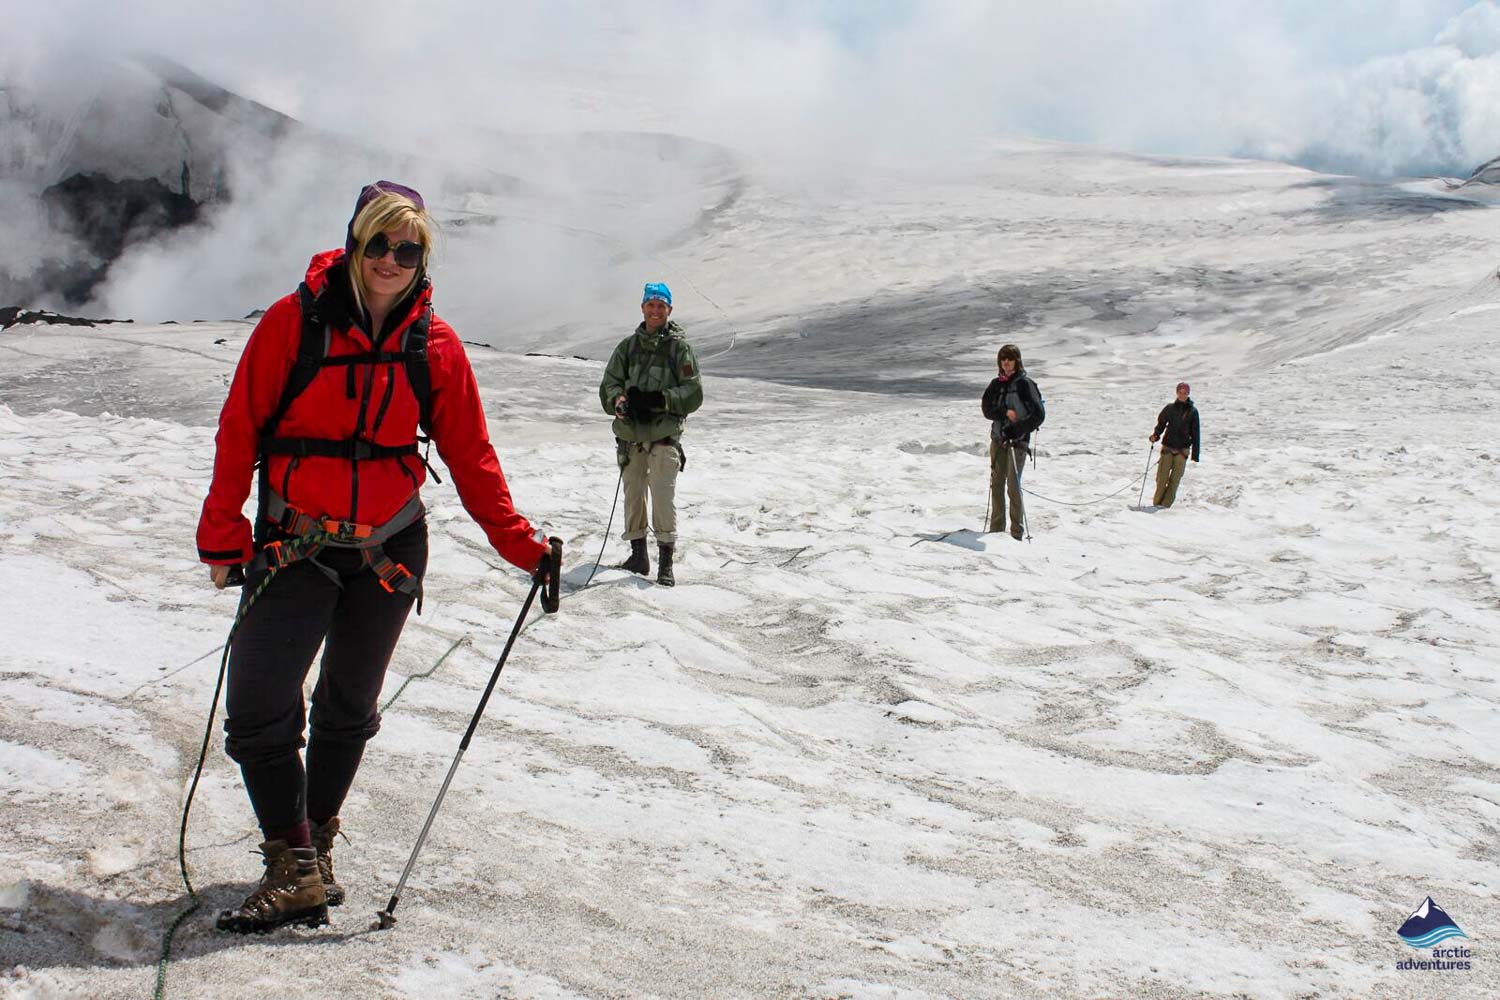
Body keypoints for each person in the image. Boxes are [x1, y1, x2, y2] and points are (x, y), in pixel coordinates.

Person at [196, 181, 553, 933]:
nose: (391, 260)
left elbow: (471, 456)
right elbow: (241, 429)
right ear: (354, 244)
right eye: (378, 244)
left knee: (347, 712)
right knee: (259, 712)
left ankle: (308, 856)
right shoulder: (293, 324)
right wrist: (222, 534)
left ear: (425, 257)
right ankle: (294, 860)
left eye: (408, 248)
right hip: (295, 545)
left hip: (390, 550)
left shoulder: (436, 346)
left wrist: (523, 546)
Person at [598, 282, 703, 586]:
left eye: (661, 306)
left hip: (663, 435)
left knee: (662, 497)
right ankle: (638, 555)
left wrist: (660, 400)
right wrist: (619, 402)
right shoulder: (627, 348)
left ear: (669, 310)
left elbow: (693, 392)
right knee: (633, 495)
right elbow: (610, 383)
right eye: (651, 305)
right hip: (630, 436)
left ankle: (665, 564)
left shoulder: (679, 349)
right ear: (642, 307)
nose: (655, 311)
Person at [980, 344, 1045, 539]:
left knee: (1013, 486)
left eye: (1010, 358)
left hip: (1017, 441)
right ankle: (996, 530)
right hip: (998, 439)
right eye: (1003, 358)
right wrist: (1004, 413)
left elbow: (1038, 415)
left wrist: (1016, 429)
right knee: (997, 483)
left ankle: (1016, 532)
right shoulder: (996, 384)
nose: (1006, 362)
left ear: (1017, 361)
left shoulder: (1025, 385)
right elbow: (986, 409)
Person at [1149, 381, 1201, 508]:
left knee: (1174, 481)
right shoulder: (1169, 409)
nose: (1182, 395)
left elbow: (1196, 433)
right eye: (1180, 393)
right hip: (1167, 447)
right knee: (1161, 479)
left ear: (1188, 394)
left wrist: (1195, 454)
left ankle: (1165, 507)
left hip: (1182, 451)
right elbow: (1161, 424)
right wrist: (1155, 435)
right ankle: (1156, 505)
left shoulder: (1193, 412)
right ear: (1177, 393)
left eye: (1185, 393)